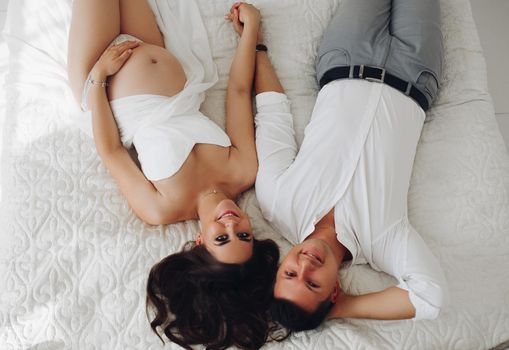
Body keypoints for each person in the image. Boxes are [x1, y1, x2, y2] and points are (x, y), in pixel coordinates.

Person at [67, 1, 279, 349]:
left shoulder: (161, 209)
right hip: (150, 48)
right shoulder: (244, 170)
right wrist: (252, 30)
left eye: (221, 239)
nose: (232, 224)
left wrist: (101, 76)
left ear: (199, 243)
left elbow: (112, 152)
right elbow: (239, 91)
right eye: (244, 236)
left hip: (103, 77)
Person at [253, 0, 449, 333]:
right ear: (333, 290)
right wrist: (342, 308)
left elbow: (274, 115)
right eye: (313, 284)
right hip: (415, 72)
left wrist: (257, 46)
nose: (305, 266)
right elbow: (430, 296)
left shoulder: (277, 201)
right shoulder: (382, 240)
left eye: (290, 273)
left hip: (347, 58)